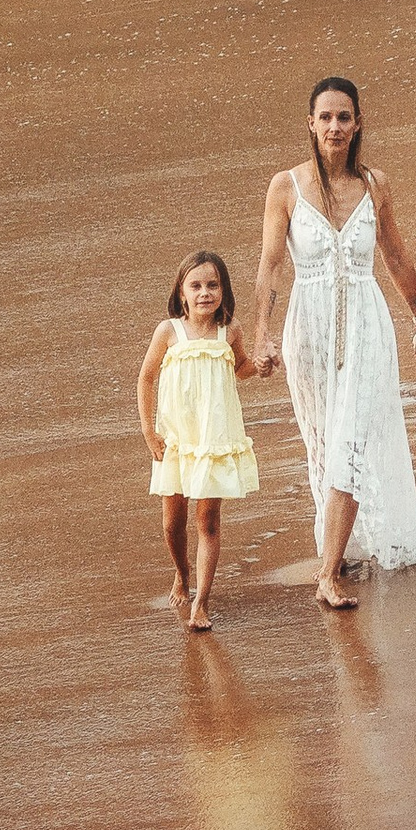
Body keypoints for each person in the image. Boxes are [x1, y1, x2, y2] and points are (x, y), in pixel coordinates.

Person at [252, 75, 416, 608]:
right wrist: (262, 335)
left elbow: (395, 255)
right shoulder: (285, 187)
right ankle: (345, 550)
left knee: (351, 444)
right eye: (325, 117)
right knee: (322, 445)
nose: (335, 126)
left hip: (366, 327)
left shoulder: (375, 185)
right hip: (308, 333)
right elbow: (270, 265)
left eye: (344, 117)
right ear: (310, 124)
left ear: (358, 124)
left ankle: (328, 574)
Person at [138, 249, 264, 627]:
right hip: (175, 440)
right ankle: (182, 572)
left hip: (213, 440)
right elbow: (146, 378)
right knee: (172, 523)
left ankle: (201, 603)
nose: (204, 293)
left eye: (212, 285)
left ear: (224, 290)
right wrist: (148, 431)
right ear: (182, 292)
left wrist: (261, 365)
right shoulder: (169, 332)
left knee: (208, 522)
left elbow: (241, 368)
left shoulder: (230, 331)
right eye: (195, 286)